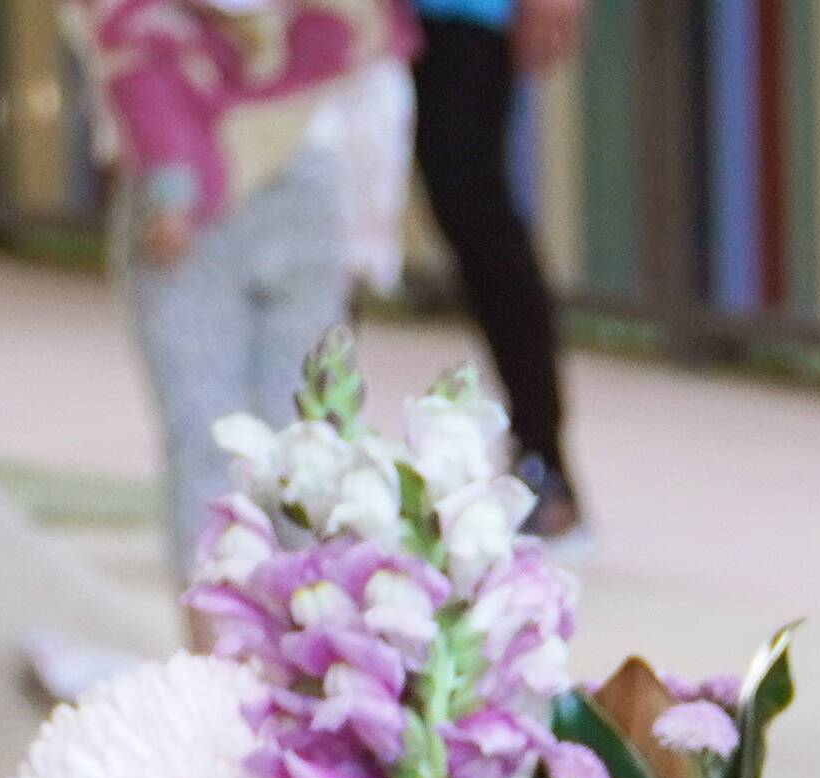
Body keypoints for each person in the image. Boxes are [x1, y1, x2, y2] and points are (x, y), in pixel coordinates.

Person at [89, 0, 406, 584]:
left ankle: (260, 660)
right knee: (272, 447)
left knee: (261, 449)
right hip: (254, 192)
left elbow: (134, 59)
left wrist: (171, 179)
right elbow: (377, 82)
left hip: (240, 203)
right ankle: (251, 659)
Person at [402, 0, 587, 537]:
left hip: (461, 14)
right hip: (323, 19)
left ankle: (542, 459)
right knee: (331, 225)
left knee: (472, 204)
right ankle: (307, 462)